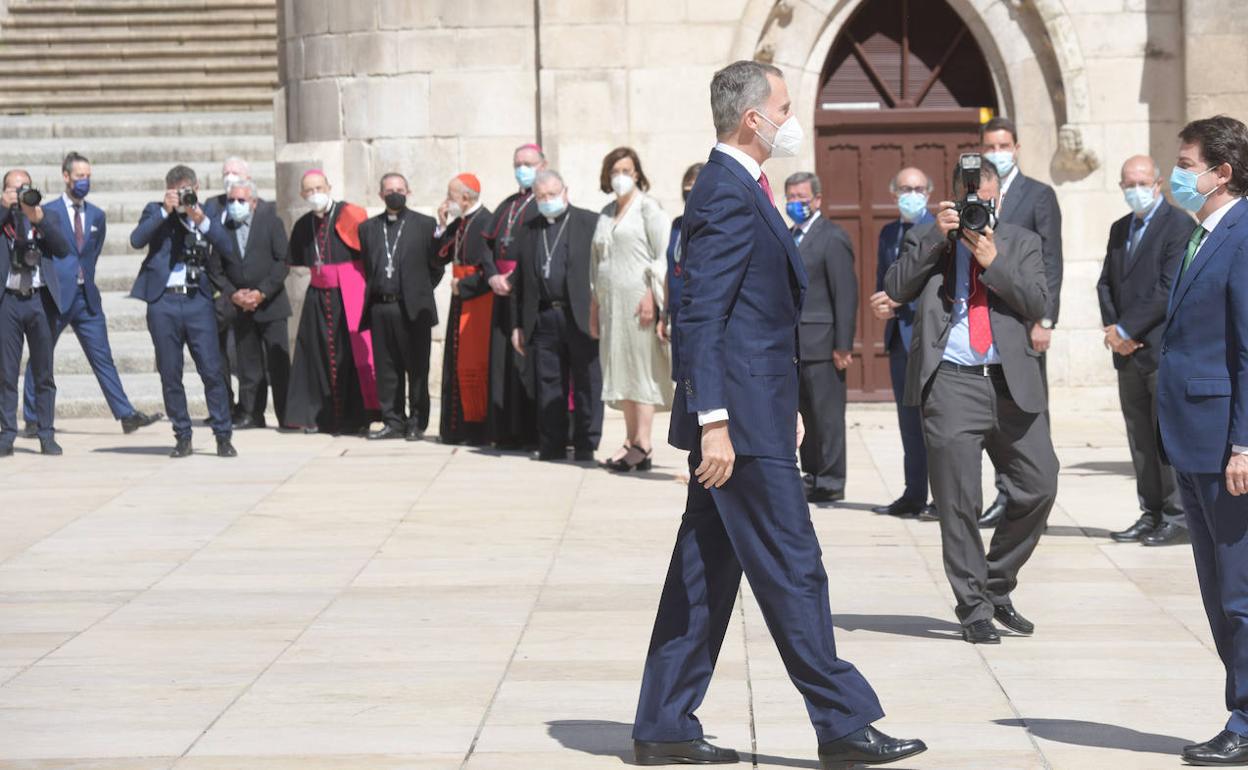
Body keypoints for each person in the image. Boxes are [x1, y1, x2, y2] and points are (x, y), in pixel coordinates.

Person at [633, 60, 925, 769]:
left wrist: (781, 403)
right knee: (795, 564)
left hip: (756, 410)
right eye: (785, 106)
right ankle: (844, 722)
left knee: (702, 572)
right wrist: (716, 422)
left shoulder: (741, 187)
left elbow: (756, 318)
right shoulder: (727, 193)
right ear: (752, 118)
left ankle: (665, 723)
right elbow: (702, 315)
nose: (793, 118)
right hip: (739, 427)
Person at [884, 155, 1057, 645]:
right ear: (956, 201)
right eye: (969, 201)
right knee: (959, 502)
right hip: (952, 381)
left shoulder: (1022, 241)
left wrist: (992, 262)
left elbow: (1038, 303)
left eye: (985, 198)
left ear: (998, 196)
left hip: (1010, 382)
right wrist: (937, 239)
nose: (977, 207)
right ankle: (974, 607)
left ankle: (996, 585)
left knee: (1038, 485)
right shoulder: (928, 237)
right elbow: (896, 289)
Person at [1155, 115, 1248, 767]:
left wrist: (1246, 444)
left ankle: (1244, 719)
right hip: (1191, 439)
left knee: (1240, 590)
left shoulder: (1242, 236)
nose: (1177, 173)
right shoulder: (1201, 233)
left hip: (1226, 446)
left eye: (1186, 163)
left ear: (1223, 172)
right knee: (1217, 588)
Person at [21, 152, 160, 438]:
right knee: (41, 356)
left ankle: (125, 414)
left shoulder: (97, 215)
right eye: (80, 175)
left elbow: (91, 253)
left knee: (103, 357)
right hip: (56, 296)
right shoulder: (47, 211)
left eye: (88, 176)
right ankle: (33, 418)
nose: (84, 180)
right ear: (66, 176)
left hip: (86, 298)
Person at [1097, 155, 1191, 546]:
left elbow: (1167, 288)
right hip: (1127, 353)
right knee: (1138, 439)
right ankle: (1149, 511)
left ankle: (1176, 516)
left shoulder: (1179, 225)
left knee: (1163, 439)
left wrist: (1125, 329)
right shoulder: (1121, 228)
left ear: (1157, 184)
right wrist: (1115, 331)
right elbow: (1105, 283)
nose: (1134, 188)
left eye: (1141, 181)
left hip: (1159, 350)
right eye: (1127, 183)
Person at [979, 116, 1063, 528]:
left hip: (1025, 317)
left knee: (1029, 405)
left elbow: (1051, 261)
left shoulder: (1039, 195)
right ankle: (1006, 493)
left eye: (1004, 145)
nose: (998, 151)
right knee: (995, 410)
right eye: (990, 146)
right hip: (989, 323)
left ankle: (1035, 490)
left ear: (1016, 147)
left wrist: (1044, 319)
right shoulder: (979, 193)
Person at [128, 165, 237, 458]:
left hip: (197, 301)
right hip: (163, 301)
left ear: (197, 188)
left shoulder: (206, 214)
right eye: (177, 191)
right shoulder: (155, 210)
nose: (183, 196)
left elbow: (227, 247)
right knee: (170, 372)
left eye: (187, 190)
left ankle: (223, 435)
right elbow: (136, 240)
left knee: (212, 371)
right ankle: (182, 435)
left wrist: (198, 217)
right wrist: (166, 210)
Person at [510, 170, 603, 463]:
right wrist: (517, 325)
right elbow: (520, 281)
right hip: (544, 316)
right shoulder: (529, 228)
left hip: (581, 314)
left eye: (552, 194)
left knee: (587, 380)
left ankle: (586, 442)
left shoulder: (589, 222)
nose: (547, 200)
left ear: (565, 190)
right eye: (541, 197)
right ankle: (553, 443)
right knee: (549, 382)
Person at [591, 146, 674, 472]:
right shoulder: (605, 212)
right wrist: (594, 305)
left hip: (639, 303)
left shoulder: (648, 210)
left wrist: (652, 297)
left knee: (642, 370)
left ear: (637, 173)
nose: (620, 177)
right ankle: (629, 439)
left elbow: (663, 256)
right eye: (614, 171)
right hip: (611, 305)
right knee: (621, 370)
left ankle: (643, 442)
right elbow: (596, 264)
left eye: (626, 170)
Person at [784, 170, 857, 504]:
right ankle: (810, 474)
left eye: (802, 197)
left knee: (827, 416)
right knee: (804, 416)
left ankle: (831, 479)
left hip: (824, 343)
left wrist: (843, 344)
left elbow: (845, 294)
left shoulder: (832, 237)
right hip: (794, 346)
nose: (796, 203)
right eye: (791, 197)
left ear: (817, 199)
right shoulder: (788, 235)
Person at [284, 170, 375, 435]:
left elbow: (367, 252)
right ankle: (318, 417)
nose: (314, 195)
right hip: (317, 298)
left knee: (351, 355)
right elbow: (295, 260)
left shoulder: (349, 215)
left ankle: (357, 417)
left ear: (329, 187)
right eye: (308, 191)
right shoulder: (303, 225)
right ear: (302, 194)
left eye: (318, 188)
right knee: (316, 356)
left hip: (348, 296)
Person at [869, 167, 936, 519]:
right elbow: (886, 279)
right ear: (894, 193)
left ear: (929, 193)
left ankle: (942, 498)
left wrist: (899, 299)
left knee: (934, 423)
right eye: (906, 188)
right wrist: (883, 304)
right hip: (899, 339)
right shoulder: (888, 232)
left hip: (929, 340)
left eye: (919, 188)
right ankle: (914, 494)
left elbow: (936, 286)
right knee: (908, 423)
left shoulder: (938, 231)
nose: (912, 193)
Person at [359, 173, 441, 441]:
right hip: (381, 307)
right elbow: (368, 266)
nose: (395, 193)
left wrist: (419, 290)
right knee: (386, 369)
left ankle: (417, 422)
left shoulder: (424, 224)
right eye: (389, 189)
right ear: (380, 194)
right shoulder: (368, 228)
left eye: (400, 189)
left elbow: (436, 267)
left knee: (417, 368)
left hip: (413, 309)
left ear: (409, 191)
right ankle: (392, 421)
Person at [206, 177, 291, 430]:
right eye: (231, 200)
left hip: (270, 304)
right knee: (248, 364)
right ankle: (251, 413)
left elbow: (282, 260)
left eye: (241, 200)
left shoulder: (271, 223)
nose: (235, 204)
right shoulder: (223, 229)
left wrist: (261, 293)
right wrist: (234, 295)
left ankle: (287, 414)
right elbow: (216, 270)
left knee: (278, 364)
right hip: (241, 308)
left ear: (253, 203)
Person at [0, 170, 72, 457]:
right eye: (14, 189)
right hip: (9, 302)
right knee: (6, 373)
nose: (20, 195)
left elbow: (64, 248)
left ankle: (46, 433)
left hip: (39, 300)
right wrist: (5, 209)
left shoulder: (45, 216)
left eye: (24, 188)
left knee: (44, 372)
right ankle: (6, 435)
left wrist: (38, 218)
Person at [481, 143, 545, 449]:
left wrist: (514, 277)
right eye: (517, 163)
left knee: (526, 365)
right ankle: (505, 431)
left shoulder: (545, 203)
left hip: (528, 295)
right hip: (501, 293)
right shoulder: (507, 204)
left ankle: (530, 433)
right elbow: (485, 244)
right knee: (502, 365)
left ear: (542, 166)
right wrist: (493, 275)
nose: (522, 169)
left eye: (528, 163)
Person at [435, 173, 494, 444]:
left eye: (451, 196)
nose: (448, 201)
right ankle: (456, 429)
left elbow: (489, 269)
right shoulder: (460, 223)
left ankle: (476, 429)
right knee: (456, 360)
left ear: (466, 198)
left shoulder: (485, 222)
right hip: (461, 297)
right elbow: (440, 253)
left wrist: (465, 286)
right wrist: (441, 223)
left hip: (478, 300)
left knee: (474, 362)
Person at [206, 156, 252, 418]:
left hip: (247, 290)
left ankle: (247, 408)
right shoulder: (212, 205)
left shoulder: (257, 205)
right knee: (218, 355)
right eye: (226, 172)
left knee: (246, 355)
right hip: (220, 289)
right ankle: (222, 407)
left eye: (235, 172)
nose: (229, 176)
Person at [656, 163, 703, 373]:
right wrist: (664, 314)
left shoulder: (709, 223)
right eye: (687, 184)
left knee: (696, 373)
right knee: (681, 376)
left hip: (698, 312)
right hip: (676, 310)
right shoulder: (677, 224)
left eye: (695, 184)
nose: (689, 189)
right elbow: (670, 267)